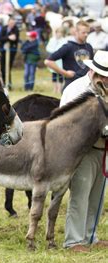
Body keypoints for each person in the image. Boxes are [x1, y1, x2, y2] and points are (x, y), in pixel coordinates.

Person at [59, 50, 108, 252]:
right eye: (104, 75)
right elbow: (66, 122)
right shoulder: (76, 90)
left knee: (97, 196)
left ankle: (90, 236)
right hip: (82, 150)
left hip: (103, 150)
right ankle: (73, 241)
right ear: (93, 72)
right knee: (80, 195)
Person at [45, 21, 93, 91]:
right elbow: (48, 61)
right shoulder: (68, 46)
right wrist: (65, 73)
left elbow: (91, 65)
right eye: (83, 32)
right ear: (76, 32)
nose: (86, 35)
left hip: (87, 85)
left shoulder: (89, 47)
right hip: (71, 85)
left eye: (87, 33)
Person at [0, 16, 19, 88]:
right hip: (3, 51)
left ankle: (9, 84)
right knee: (2, 68)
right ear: (8, 22)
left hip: (11, 52)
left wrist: (7, 38)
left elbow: (15, 39)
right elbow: (0, 38)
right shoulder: (4, 28)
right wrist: (8, 37)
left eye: (13, 23)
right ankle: (4, 83)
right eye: (10, 23)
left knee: (8, 68)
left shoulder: (16, 29)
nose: (12, 24)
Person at [46, 27, 67, 93]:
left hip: (60, 60)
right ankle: (55, 89)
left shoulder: (64, 41)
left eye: (60, 33)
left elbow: (63, 50)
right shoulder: (52, 40)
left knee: (60, 74)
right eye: (58, 32)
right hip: (53, 59)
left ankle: (60, 89)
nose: (59, 34)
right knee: (54, 74)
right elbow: (48, 48)